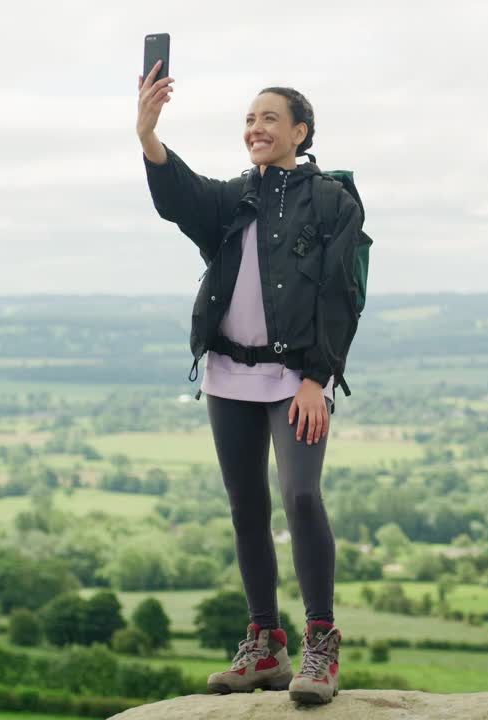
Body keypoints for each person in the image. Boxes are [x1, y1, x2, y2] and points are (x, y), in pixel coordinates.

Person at [137, 59, 360, 705]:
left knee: (300, 497)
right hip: (228, 371)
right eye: (248, 119)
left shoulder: (331, 201)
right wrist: (148, 133)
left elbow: (342, 295)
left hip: (298, 379)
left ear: (300, 130)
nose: (255, 128)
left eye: (269, 118)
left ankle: (321, 643)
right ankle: (265, 644)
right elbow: (177, 196)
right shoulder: (234, 196)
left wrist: (318, 377)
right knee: (246, 509)